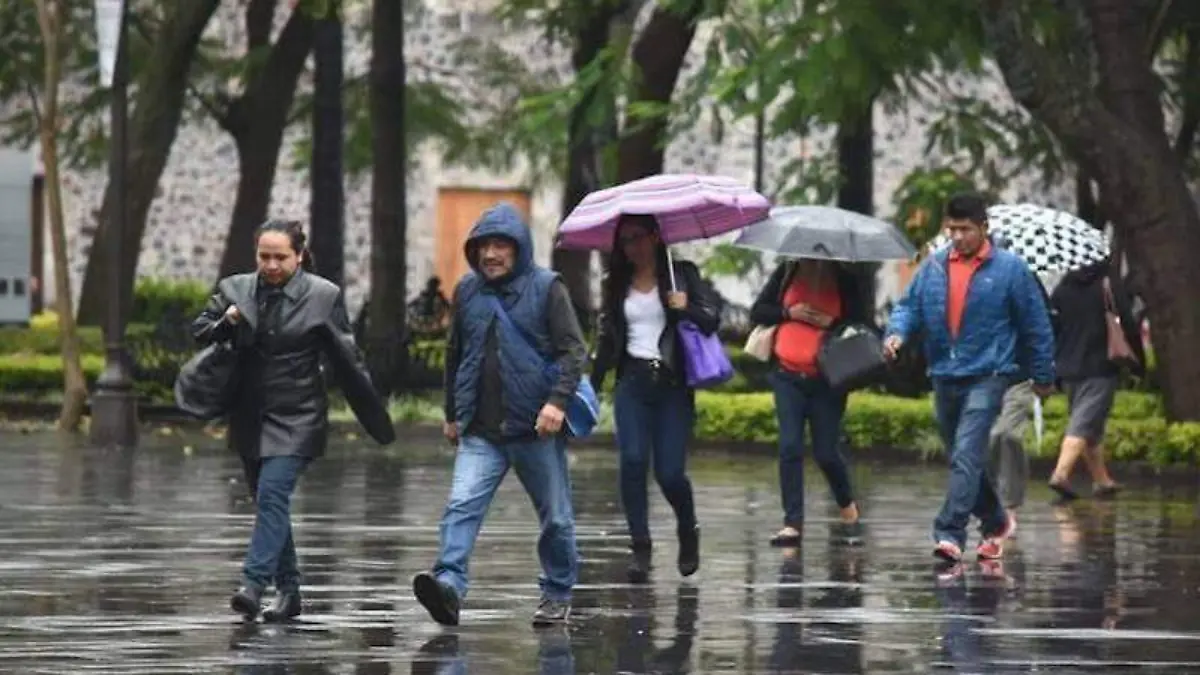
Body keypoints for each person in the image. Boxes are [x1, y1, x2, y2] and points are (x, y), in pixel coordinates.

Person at [191, 219, 395, 621]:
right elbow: (201, 332)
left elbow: (347, 357)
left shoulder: (323, 296)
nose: (271, 265)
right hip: (249, 414)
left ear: (299, 256)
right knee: (270, 504)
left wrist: (372, 412)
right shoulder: (236, 289)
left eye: (280, 257)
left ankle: (252, 583)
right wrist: (228, 320)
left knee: (272, 495)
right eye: (264, 256)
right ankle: (290, 591)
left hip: (298, 415)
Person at [412, 202, 587, 627]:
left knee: (556, 520)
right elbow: (456, 354)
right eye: (483, 246)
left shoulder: (548, 287)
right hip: (482, 432)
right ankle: (449, 586)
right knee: (460, 508)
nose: (490, 254)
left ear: (519, 248)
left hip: (535, 430)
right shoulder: (468, 291)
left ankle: (557, 592)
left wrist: (557, 403)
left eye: (500, 245)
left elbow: (573, 351)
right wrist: (453, 412)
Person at [884, 193, 1055, 563]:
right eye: (952, 229)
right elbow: (909, 306)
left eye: (965, 229)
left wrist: (1043, 375)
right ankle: (995, 521)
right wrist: (895, 334)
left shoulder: (1010, 270)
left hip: (989, 373)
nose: (958, 237)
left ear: (983, 228)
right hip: (944, 372)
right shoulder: (933, 266)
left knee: (966, 451)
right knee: (961, 458)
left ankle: (949, 531)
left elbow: (1036, 325)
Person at [591, 214, 723, 583]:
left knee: (669, 474)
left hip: (672, 385)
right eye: (625, 241)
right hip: (632, 382)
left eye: (638, 237)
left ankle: (687, 528)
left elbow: (713, 320)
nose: (632, 247)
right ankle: (641, 547)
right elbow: (607, 338)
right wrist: (593, 382)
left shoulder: (682, 273)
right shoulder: (615, 283)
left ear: (655, 237)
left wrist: (686, 307)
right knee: (632, 461)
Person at [749, 259, 865, 547]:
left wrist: (833, 323)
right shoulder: (788, 271)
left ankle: (848, 507)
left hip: (827, 380)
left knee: (826, 452)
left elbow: (863, 325)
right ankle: (792, 523)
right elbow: (758, 311)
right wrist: (790, 312)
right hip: (787, 376)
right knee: (789, 446)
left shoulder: (845, 279)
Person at [1047, 258, 1143, 500]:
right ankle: (1061, 473)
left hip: (1068, 367)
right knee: (1082, 424)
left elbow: (1051, 326)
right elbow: (1129, 325)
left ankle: (1102, 480)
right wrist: (1137, 361)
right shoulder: (1107, 285)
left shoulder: (1062, 288)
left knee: (1091, 425)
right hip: (1100, 366)